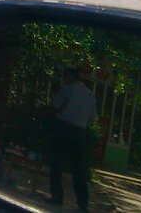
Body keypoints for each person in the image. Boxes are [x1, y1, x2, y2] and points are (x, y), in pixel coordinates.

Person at [49, 67, 97, 209]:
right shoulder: (91, 95)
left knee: (56, 163)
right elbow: (92, 118)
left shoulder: (67, 90)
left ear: (70, 77)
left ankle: (57, 196)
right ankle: (83, 203)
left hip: (62, 128)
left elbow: (56, 107)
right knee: (78, 169)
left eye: (65, 76)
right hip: (79, 132)